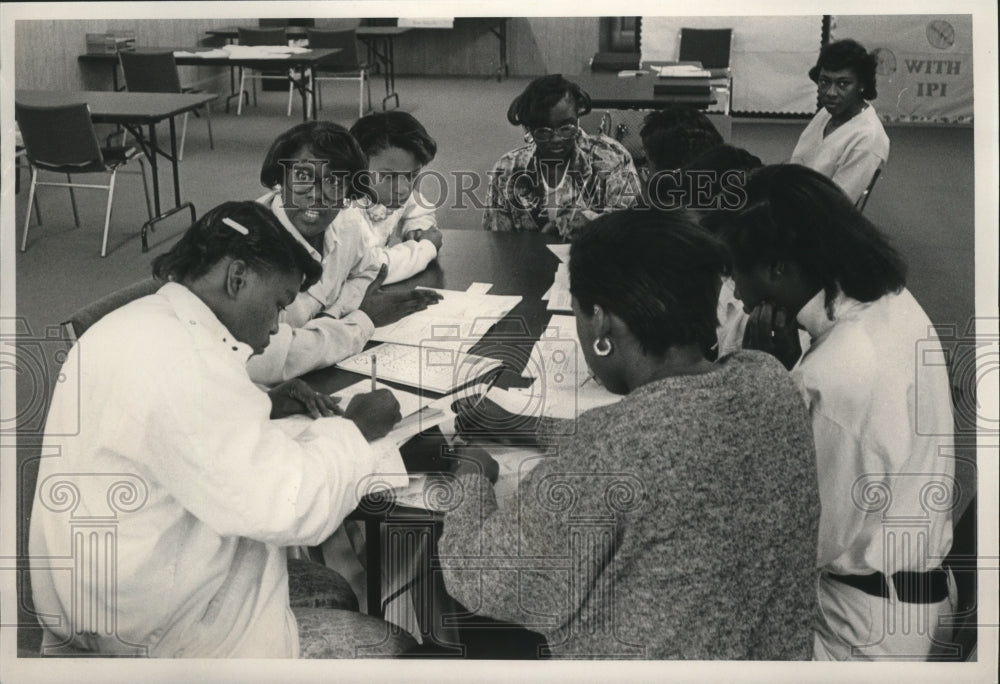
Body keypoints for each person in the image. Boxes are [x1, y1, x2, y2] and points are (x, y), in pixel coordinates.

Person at [29, 202, 415, 657]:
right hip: (154, 634)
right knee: (393, 645)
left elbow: (180, 436)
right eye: (277, 305)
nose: (274, 329)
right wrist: (354, 428)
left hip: (103, 595)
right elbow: (291, 508)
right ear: (237, 278)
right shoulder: (188, 364)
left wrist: (264, 404)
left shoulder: (140, 323)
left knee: (330, 587)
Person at [440, 209, 820, 658]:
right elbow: (669, 443)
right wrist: (528, 427)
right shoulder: (769, 381)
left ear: (601, 321)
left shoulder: (608, 447)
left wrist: (468, 477)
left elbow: (482, 578)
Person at [711, 164, 957, 660]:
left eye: (735, 269)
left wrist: (768, 393)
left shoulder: (834, 378)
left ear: (778, 268)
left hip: (859, 631)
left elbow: (790, 546)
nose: (734, 289)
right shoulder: (886, 299)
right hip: (895, 587)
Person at [247, 121, 440, 384]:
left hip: (311, 376)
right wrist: (359, 322)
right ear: (279, 181)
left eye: (335, 182)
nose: (318, 195)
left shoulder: (348, 222)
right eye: (303, 177)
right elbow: (265, 360)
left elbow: (368, 270)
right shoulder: (250, 248)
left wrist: (333, 313)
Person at [483, 74, 640, 239]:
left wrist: (591, 223)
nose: (557, 139)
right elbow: (498, 240)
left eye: (566, 127)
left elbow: (630, 227)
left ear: (578, 118)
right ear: (528, 129)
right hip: (527, 261)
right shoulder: (507, 169)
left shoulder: (612, 158)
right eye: (544, 131)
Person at [347, 110, 443, 284]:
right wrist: (425, 247)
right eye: (388, 177)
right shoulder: (342, 210)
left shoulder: (391, 194)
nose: (404, 189)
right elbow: (371, 269)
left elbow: (420, 209)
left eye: (412, 175)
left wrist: (416, 229)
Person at [790, 39, 889, 204]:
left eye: (843, 84)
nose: (831, 93)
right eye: (824, 82)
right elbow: (797, 165)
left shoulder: (869, 138)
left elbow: (834, 207)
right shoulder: (826, 113)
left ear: (862, 85)